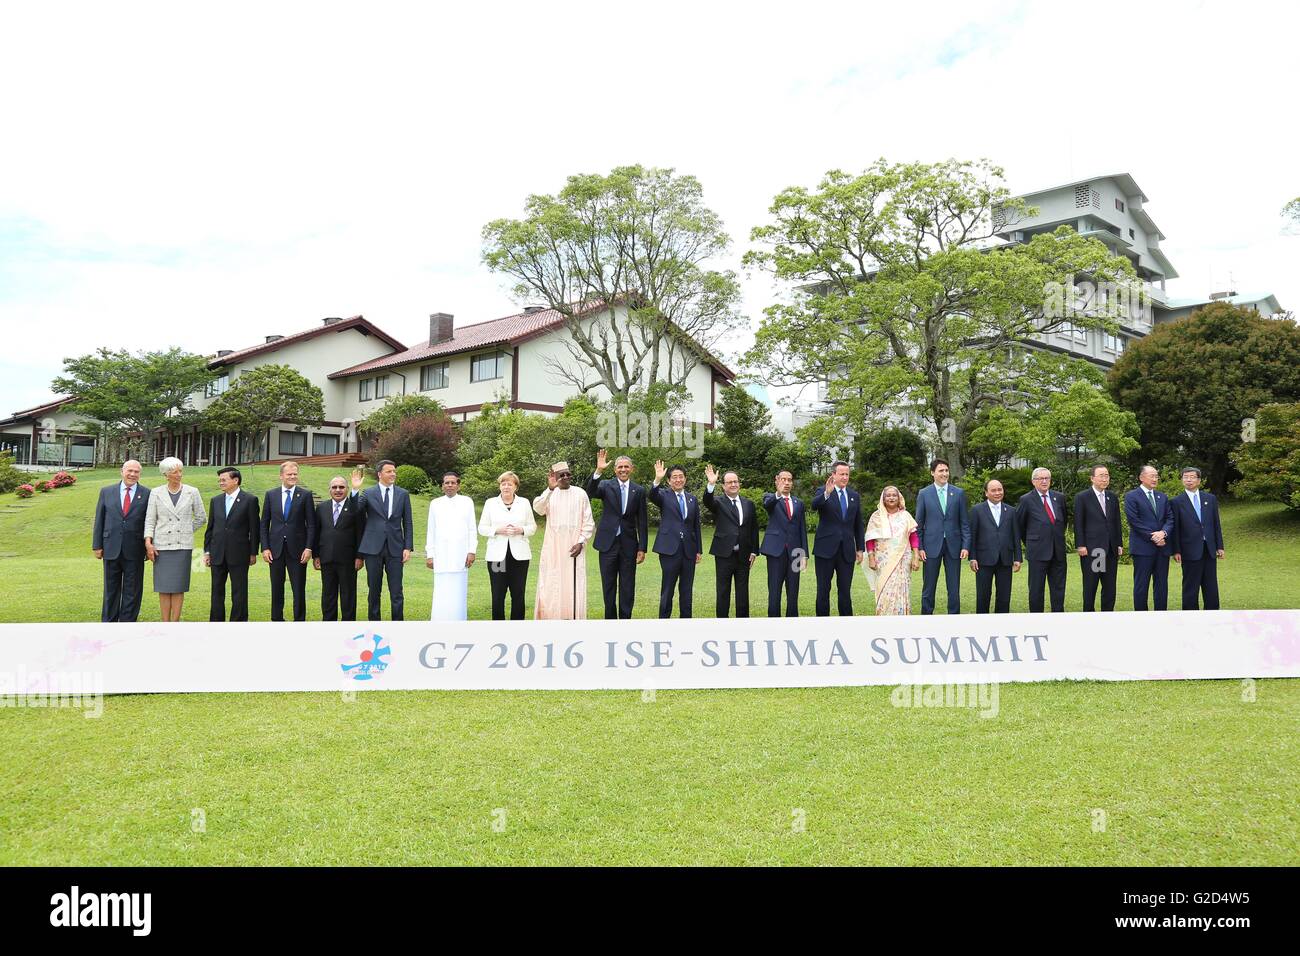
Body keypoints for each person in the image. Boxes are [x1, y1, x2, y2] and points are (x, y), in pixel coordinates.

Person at [142, 457, 206, 622]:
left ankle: (175, 622)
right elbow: (150, 520)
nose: (179, 475)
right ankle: (165, 622)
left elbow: (201, 518)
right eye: (174, 472)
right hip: (161, 546)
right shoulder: (155, 493)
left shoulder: (192, 491)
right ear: (166, 474)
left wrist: (184, 531)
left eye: (180, 471)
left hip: (182, 546)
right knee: (163, 587)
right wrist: (148, 542)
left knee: (178, 587)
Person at [585, 449, 648, 619]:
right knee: (609, 584)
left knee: (627, 585)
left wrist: (642, 547)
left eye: (626, 467)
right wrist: (598, 471)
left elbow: (642, 521)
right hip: (607, 544)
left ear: (632, 469)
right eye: (620, 467)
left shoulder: (639, 490)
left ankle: (626, 620)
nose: (623, 469)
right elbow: (589, 492)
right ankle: (610, 621)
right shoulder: (605, 485)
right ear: (615, 470)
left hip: (629, 545)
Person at [352, 461, 414, 621]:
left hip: (396, 548)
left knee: (397, 591)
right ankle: (374, 623)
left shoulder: (403, 494)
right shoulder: (368, 492)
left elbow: (407, 522)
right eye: (389, 471)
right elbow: (354, 511)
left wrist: (408, 547)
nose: (393, 474)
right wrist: (355, 490)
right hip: (373, 548)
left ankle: (398, 623)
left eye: (394, 471)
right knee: (374, 590)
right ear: (380, 474)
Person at [532, 461, 595, 619]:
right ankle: (551, 618)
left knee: (573, 583)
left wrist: (581, 542)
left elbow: (588, 522)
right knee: (551, 582)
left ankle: (572, 617)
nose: (566, 477)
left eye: (568, 474)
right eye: (562, 475)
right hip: (553, 547)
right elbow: (538, 509)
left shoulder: (580, 493)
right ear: (555, 477)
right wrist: (550, 489)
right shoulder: (549, 494)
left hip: (575, 547)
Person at [92, 459, 150, 622]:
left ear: (140, 474)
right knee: (111, 589)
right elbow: (100, 519)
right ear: (122, 471)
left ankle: (128, 622)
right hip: (110, 547)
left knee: (133, 589)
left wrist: (148, 545)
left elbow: (149, 521)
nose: (132, 474)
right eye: (129, 471)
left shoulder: (147, 494)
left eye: (136, 472)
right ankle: (109, 622)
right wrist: (97, 545)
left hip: (135, 549)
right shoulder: (106, 491)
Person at [260, 461, 316, 623]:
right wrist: (265, 548)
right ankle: (276, 619)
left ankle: (299, 620)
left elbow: (311, 524)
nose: (292, 477)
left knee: (298, 588)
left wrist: (309, 548)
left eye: (295, 474)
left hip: (298, 550)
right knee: (276, 587)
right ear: (281, 476)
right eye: (289, 474)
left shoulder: (305, 495)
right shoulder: (271, 495)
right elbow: (264, 523)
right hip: (275, 550)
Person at [913, 459, 971, 615]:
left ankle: (954, 617)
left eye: (946, 470)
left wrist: (966, 546)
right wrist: (920, 548)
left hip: (954, 546)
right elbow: (918, 524)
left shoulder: (958, 493)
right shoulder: (924, 494)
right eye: (941, 471)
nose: (944, 473)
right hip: (931, 547)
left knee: (953, 587)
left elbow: (964, 522)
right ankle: (926, 616)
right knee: (929, 586)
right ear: (932, 473)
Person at [202, 466, 260, 622]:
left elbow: (255, 529)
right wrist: (207, 551)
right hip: (217, 554)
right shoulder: (216, 501)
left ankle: (238, 622)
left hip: (240, 554)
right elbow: (211, 528)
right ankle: (216, 623)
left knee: (239, 591)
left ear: (236, 480)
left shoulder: (250, 500)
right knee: (217, 591)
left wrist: (253, 552)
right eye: (220, 480)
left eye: (224, 479)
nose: (221, 482)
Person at [648, 461, 703, 618]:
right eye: (674, 477)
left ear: (685, 479)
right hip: (669, 549)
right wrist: (657, 479)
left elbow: (695, 526)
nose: (678, 480)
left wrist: (698, 549)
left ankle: (686, 621)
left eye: (681, 477)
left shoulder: (692, 499)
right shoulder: (663, 495)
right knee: (668, 588)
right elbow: (652, 495)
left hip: (688, 550)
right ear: (669, 480)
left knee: (686, 589)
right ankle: (664, 621)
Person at [703, 464, 759, 618]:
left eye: (736, 481)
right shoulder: (718, 502)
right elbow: (707, 501)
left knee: (743, 591)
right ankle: (722, 622)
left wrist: (754, 550)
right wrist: (711, 484)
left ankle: (743, 622)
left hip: (744, 554)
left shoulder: (749, 504)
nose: (733, 484)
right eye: (729, 482)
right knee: (723, 590)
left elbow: (754, 528)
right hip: (724, 554)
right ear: (723, 486)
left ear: (739, 484)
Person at [479, 471, 536, 620]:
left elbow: (532, 527)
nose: (506, 487)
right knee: (498, 593)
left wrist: (521, 530)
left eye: (509, 484)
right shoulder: (490, 503)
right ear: (499, 486)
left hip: (520, 556)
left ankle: (517, 626)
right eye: (503, 484)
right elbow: (482, 528)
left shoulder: (524, 503)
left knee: (518, 593)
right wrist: (498, 530)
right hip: (497, 557)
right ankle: (498, 626)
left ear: (515, 487)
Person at [809, 461, 864, 617]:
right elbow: (814, 505)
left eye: (847, 474)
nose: (845, 477)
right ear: (833, 475)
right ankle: (822, 622)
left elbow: (858, 523)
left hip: (847, 550)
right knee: (823, 589)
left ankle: (846, 623)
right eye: (841, 474)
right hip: (825, 549)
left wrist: (860, 548)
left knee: (845, 590)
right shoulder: (823, 491)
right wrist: (826, 493)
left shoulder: (854, 496)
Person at [312, 475, 366, 621]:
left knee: (348, 594)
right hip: (326, 558)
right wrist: (316, 555)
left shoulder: (355, 508)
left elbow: (361, 533)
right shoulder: (321, 508)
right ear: (329, 490)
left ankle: (348, 624)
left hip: (348, 560)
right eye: (334, 487)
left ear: (347, 489)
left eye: (341, 487)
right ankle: (329, 624)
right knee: (328, 594)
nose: (338, 490)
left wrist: (360, 557)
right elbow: (316, 533)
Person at [1171, 466, 1225, 610]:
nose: (1189, 480)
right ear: (1182, 480)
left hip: (1209, 549)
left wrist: (1220, 546)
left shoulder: (1210, 499)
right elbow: (1175, 528)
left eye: (1192, 477)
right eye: (1185, 477)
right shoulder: (1176, 502)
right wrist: (1176, 550)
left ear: (1199, 480)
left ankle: (1213, 613)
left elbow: (1216, 524)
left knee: (1211, 585)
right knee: (1190, 586)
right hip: (1189, 550)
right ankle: (1190, 615)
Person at [426, 471, 477, 621]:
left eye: (453, 482)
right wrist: (430, 554)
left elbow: (472, 528)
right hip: (441, 555)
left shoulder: (467, 502)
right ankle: (439, 620)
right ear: (442, 486)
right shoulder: (435, 503)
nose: (449, 485)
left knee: (458, 591)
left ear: (458, 485)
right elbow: (431, 530)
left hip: (460, 554)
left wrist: (471, 551)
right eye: (446, 483)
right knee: (442, 590)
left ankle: (459, 620)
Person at [1016, 467, 1069, 613]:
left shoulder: (1059, 497)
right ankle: (1036, 619)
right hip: (1038, 552)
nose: (1044, 481)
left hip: (1058, 551)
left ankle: (1057, 616)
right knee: (1036, 590)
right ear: (1033, 481)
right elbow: (1020, 526)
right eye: (1041, 478)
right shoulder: (1026, 499)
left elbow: (1063, 522)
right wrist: (1033, 542)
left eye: (1047, 478)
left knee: (1059, 588)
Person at [1124, 465, 1175, 611]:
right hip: (1142, 548)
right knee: (1141, 585)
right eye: (1151, 475)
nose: (1155, 479)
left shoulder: (1162, 497)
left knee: (1161, 585)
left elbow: (1170, 518)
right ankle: (1141, 615)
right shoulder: (1131, 496)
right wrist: (1153, 536)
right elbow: (1134, 521)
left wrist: (1163, 533)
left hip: (1162, 549)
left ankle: (1161, 614)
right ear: (1141, 477)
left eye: (1156, 476)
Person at [967, 479, 1022, 614]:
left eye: (1000, 489)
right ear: (986, 493)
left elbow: (1016, 535)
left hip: (1005, 559)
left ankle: (1001, 624)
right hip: (983, 559)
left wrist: (1018, 558)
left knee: (1004, 596)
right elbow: (972, 536)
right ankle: (982, 624)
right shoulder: (977, 510)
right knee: (983, 595)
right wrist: (972, 557)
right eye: (993, 490)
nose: (998, 493)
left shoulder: (1011, 511)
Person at [1073, 465, 1123, 612]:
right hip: (1095, 550)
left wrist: (1118, 543)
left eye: (1107, 475)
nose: (1104, 478)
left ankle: (1107, 614)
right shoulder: (1083, 497)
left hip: (1111, 550)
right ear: (1092, 478)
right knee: (1091, 585)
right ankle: (1089, 614)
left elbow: (1116, 522)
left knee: (1109, 586)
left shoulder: (1112, 497)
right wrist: (1080, 545)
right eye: (1101, 475)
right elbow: (1078, 523)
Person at [863, 486, 920, 615]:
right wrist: (871, 558)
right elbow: (870, 539)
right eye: (888, 495)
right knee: (884, 587)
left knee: (901, 587)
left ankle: (902, 616)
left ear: (899, 497)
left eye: (894, 495)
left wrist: (916, 556)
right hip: (883, 560)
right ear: (883, 499)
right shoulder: (876, 516)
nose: (891, 497)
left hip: (902, 559)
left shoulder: (906, 516)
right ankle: (883, 616)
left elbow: (913, 536)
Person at [761, 470, 808, 617]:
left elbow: (802, 529)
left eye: (789, 480)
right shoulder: (770, 498)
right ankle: (774, 622)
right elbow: (768, 505)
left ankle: (792, 621)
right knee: (774, 590)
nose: (786, 483)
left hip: (795, 553)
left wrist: (804, 554)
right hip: (776, 552)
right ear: (777, 480)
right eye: (783, 479)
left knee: (793, 590)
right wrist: (778, 494)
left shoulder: (798, 503)